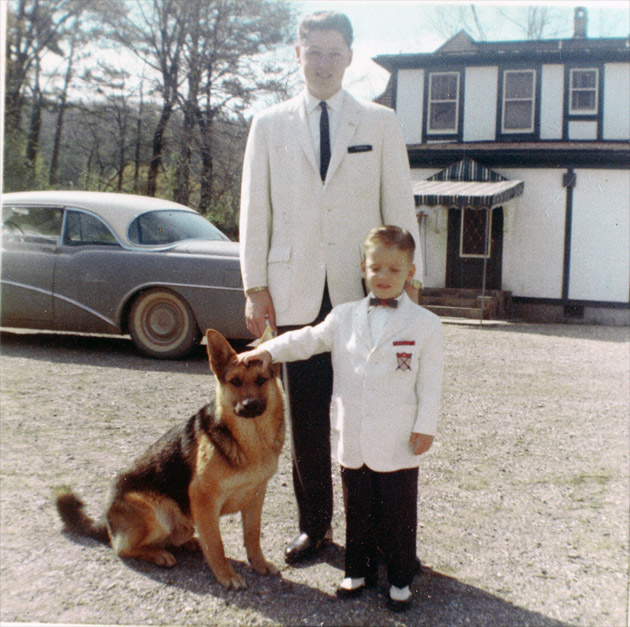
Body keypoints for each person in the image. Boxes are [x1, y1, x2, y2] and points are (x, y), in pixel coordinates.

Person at [239, 10, 423, 565]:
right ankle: (314, 526)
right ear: (298, 55)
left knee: (371, 413)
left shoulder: (379, 122)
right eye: (313, 52)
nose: (323, 63)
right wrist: (255, 286)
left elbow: (400, 206)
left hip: (365, 290)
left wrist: (409, 281)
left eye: (333, 53)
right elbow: (255, 212)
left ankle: (374, 535)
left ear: (349, 57)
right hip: (294, 288)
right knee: (309, 419)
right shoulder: (268, 124)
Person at [237, 226, 444, 611]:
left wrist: (425, 426)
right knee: (357, 509)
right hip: (354, 437)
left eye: (395, 270)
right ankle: (357, 570)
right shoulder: (344, 316)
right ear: (362, 268)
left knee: (399, 512)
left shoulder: (426, 325)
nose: (383, 277)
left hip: (398, 439)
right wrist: (268, 352)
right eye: (375, 267)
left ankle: (400, 578)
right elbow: (307, 339)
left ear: (410, 272)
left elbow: (430, 384)